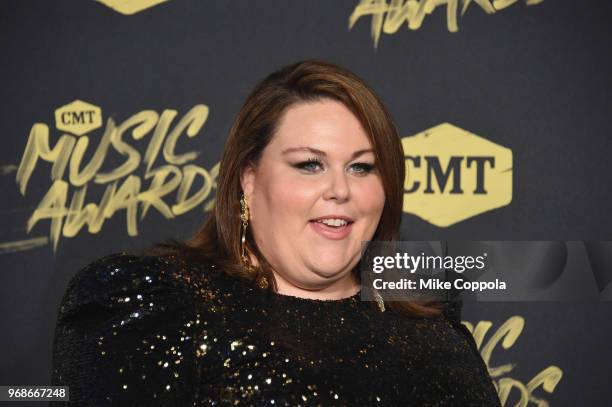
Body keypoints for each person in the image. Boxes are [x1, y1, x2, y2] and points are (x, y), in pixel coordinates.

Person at [50, 60, 501, 406]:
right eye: (309, 164)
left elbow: (553, 270)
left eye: (362, 167)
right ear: (249, 178)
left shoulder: (425, 301)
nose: (340, 191)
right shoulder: (154, 302)